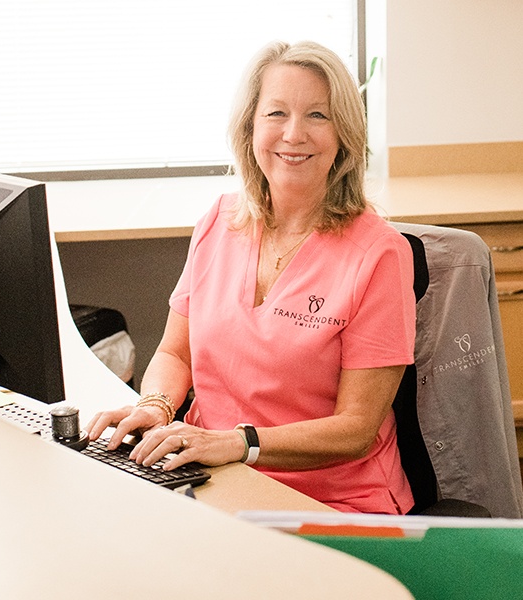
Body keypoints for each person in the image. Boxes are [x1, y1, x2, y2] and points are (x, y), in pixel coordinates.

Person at [86, 40, 416, 514]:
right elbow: (175, 353)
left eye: (318, 116)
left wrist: (238, 443)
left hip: (331, 501)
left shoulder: (380, 254)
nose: (294, 134)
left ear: (345, 131)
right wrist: (156, 405)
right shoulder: (219, 222)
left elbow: (356, 428)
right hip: (212, 478)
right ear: (250, 127)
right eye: (276, 113)